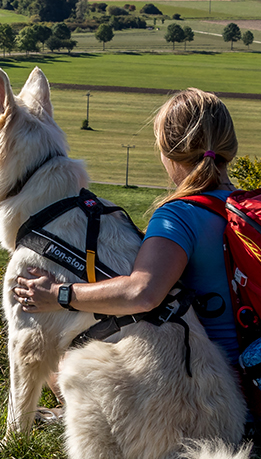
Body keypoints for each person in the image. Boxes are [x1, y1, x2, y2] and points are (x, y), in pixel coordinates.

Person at [13, 87, 240, 369]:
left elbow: (142, 293)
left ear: (167, 151)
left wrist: (59, 294)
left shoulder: (179, 217)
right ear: (230, 146)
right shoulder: (247, 207)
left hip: (224, 382)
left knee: (67, 365)